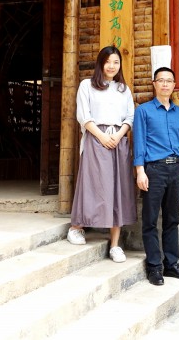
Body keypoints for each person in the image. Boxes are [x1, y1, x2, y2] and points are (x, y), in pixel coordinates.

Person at [67, 46, 136, 265]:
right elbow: (84, 116)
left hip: (118, 140)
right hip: (95, 138)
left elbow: (130, 117)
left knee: (118, 190)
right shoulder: (87, 85)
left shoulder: (123, 89)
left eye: (116, 62)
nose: (112, 66)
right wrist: (101, 136)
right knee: (92, 184)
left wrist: (118, 135)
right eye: (108, 62)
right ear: (100, 63)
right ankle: (76, 227)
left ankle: (115, 245)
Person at [133, 67, 179, 286]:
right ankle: (154, 267)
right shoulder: (143, 111)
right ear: (154, 84)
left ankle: (171, 264)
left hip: (175, 169)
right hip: (154, 170)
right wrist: (140, 171)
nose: (165, 84)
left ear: (174, 85)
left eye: (169, 81)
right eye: (161, 80)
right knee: (150, 219)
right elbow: (139, 142)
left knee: (172, 219)